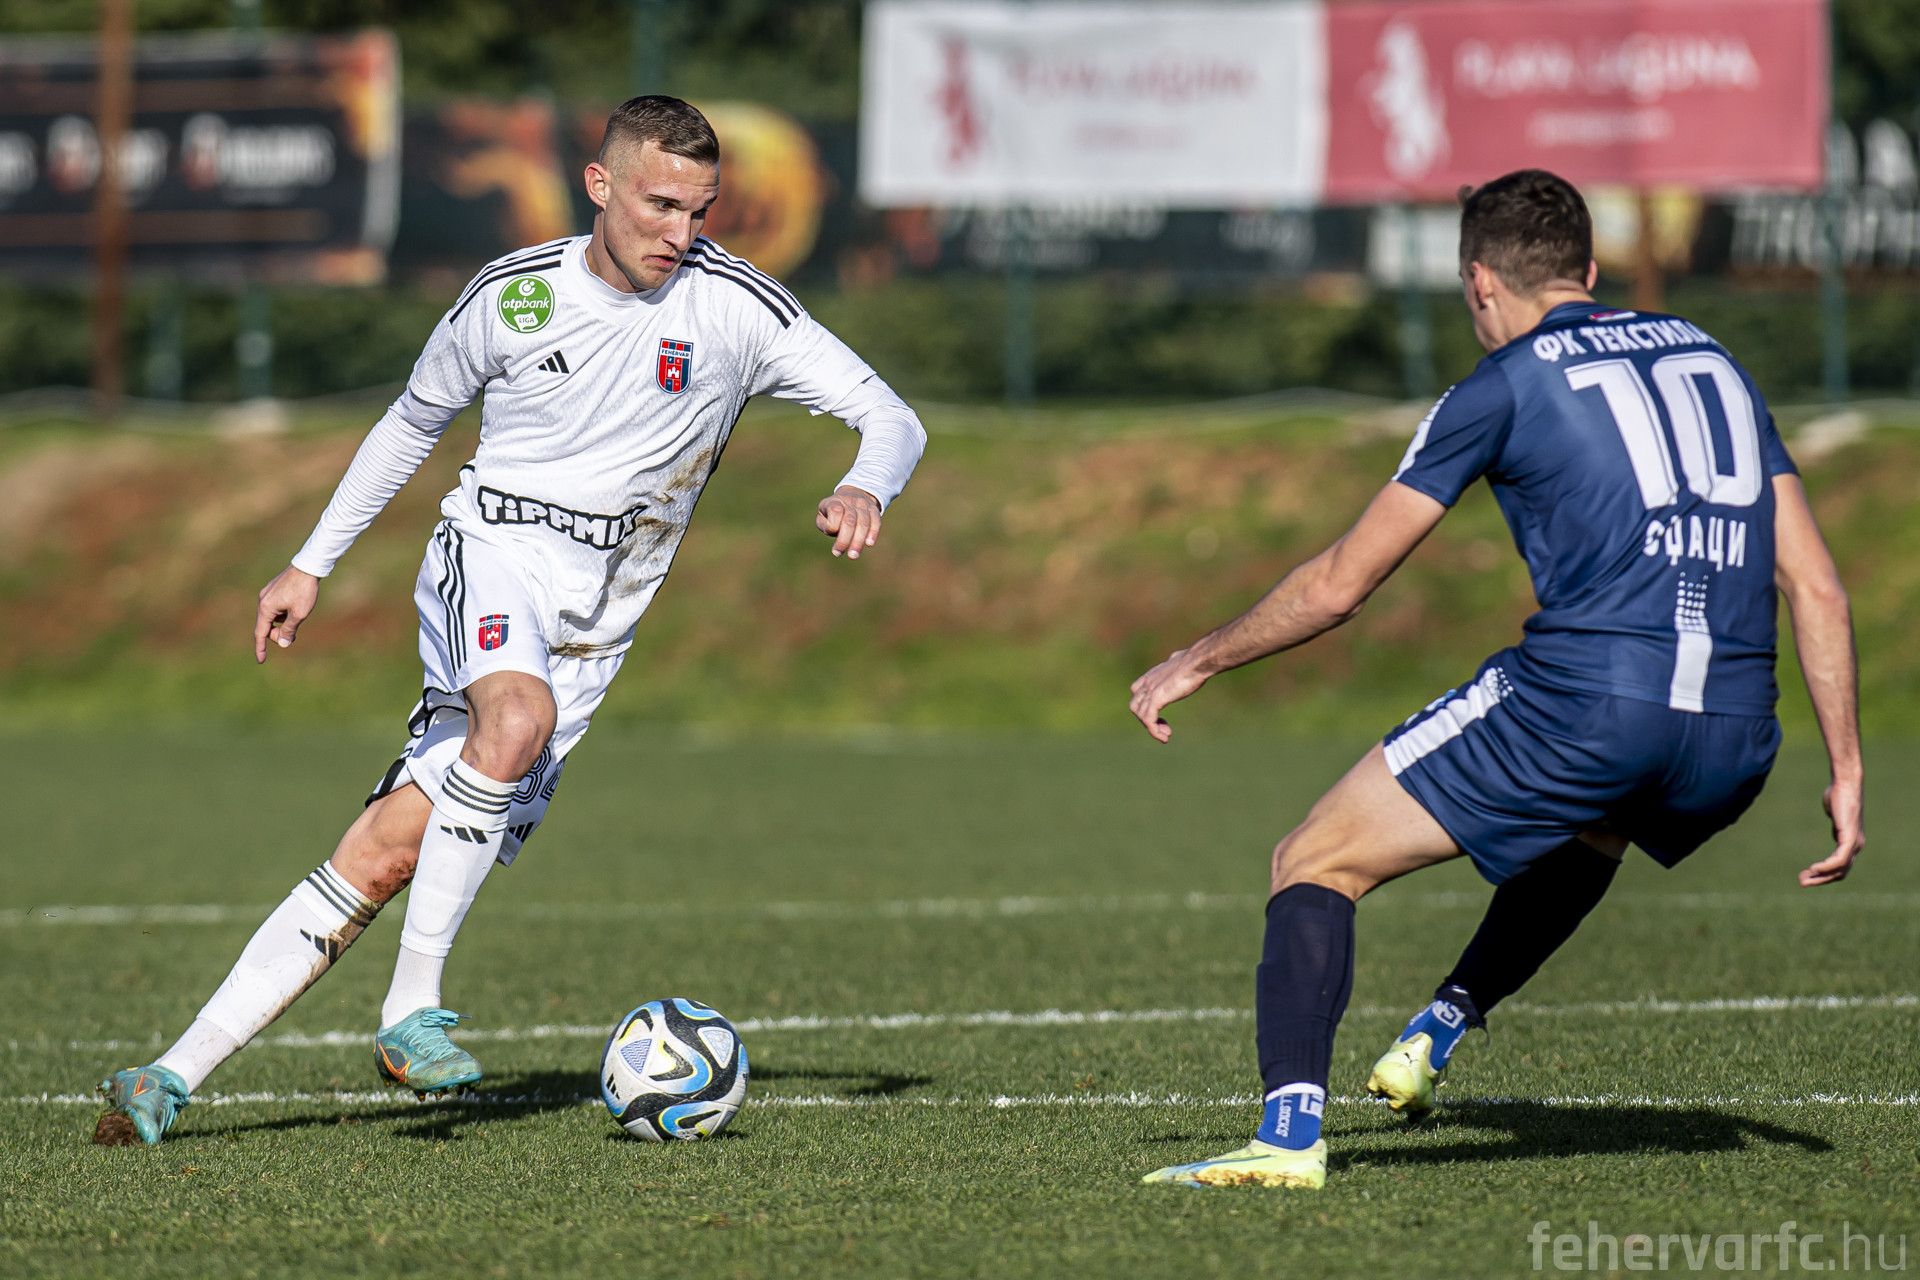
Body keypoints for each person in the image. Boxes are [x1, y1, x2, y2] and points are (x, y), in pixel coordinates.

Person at [93, 96, 927, 1146]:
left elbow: (892, 417)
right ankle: (411, 1009)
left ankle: (166, 1074)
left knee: (390, 848)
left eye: (700, 210)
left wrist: (865, 484)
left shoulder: (735, 308)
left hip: (594, 633)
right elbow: (412, 423)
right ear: (600, 186)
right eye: (660, 205)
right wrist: (310, 562)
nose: (680, 232)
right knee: (516, 717)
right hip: (490, 557)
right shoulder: (513, 296)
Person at [1127, 169, 1862, 1190]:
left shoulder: (1505, 381)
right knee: (1601, 822)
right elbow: (1815, 584)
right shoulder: (1715, 360)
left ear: (1478, 280)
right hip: (1735, 736)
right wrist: (1847, 767)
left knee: (1314, 860)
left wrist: (1196, 658)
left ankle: (1287, 1135)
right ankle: (1440, 1026)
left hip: (1590, 704)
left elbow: (1340, 587)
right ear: (1589, 271)